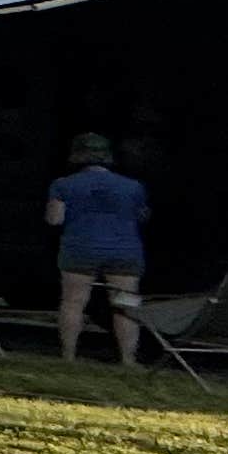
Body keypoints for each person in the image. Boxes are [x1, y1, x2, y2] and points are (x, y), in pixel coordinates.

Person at [46, 132, 152, 366]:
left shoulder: (62, 185)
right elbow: (142, 216)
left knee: (73, 302)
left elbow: (54, 220)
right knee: (126, 306)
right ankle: (128, 359)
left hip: (79, 249)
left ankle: (69, 356)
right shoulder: (133, 186)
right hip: (125, 251)